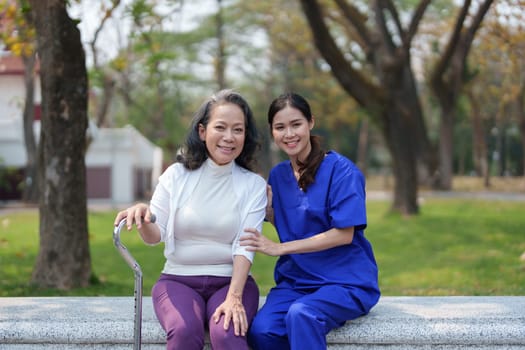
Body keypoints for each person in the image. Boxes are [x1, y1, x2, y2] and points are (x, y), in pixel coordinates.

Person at [114, 89, 267, 350]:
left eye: (238, 130)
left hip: (231, 281)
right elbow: (155, 235)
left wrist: (234, 297)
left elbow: (246, 245)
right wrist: (143, 217)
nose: (229, 137)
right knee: (184, 332)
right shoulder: (176, 176)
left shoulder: (253, 185)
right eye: (221, 127)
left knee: (227, 334)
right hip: (178, 280)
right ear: (202, 131)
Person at [240, 92, 380, 350]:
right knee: (262, 331)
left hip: (345, 282)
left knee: (302, 315)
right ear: (272, 132)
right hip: (297, 281)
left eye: (296, 124)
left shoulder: (342, 170)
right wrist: (267, 212)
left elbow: (344, 234)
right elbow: (292, 217)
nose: (289, 134)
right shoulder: (279, 175)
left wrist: (279, 248)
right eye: (280, 127)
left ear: (311, 123)